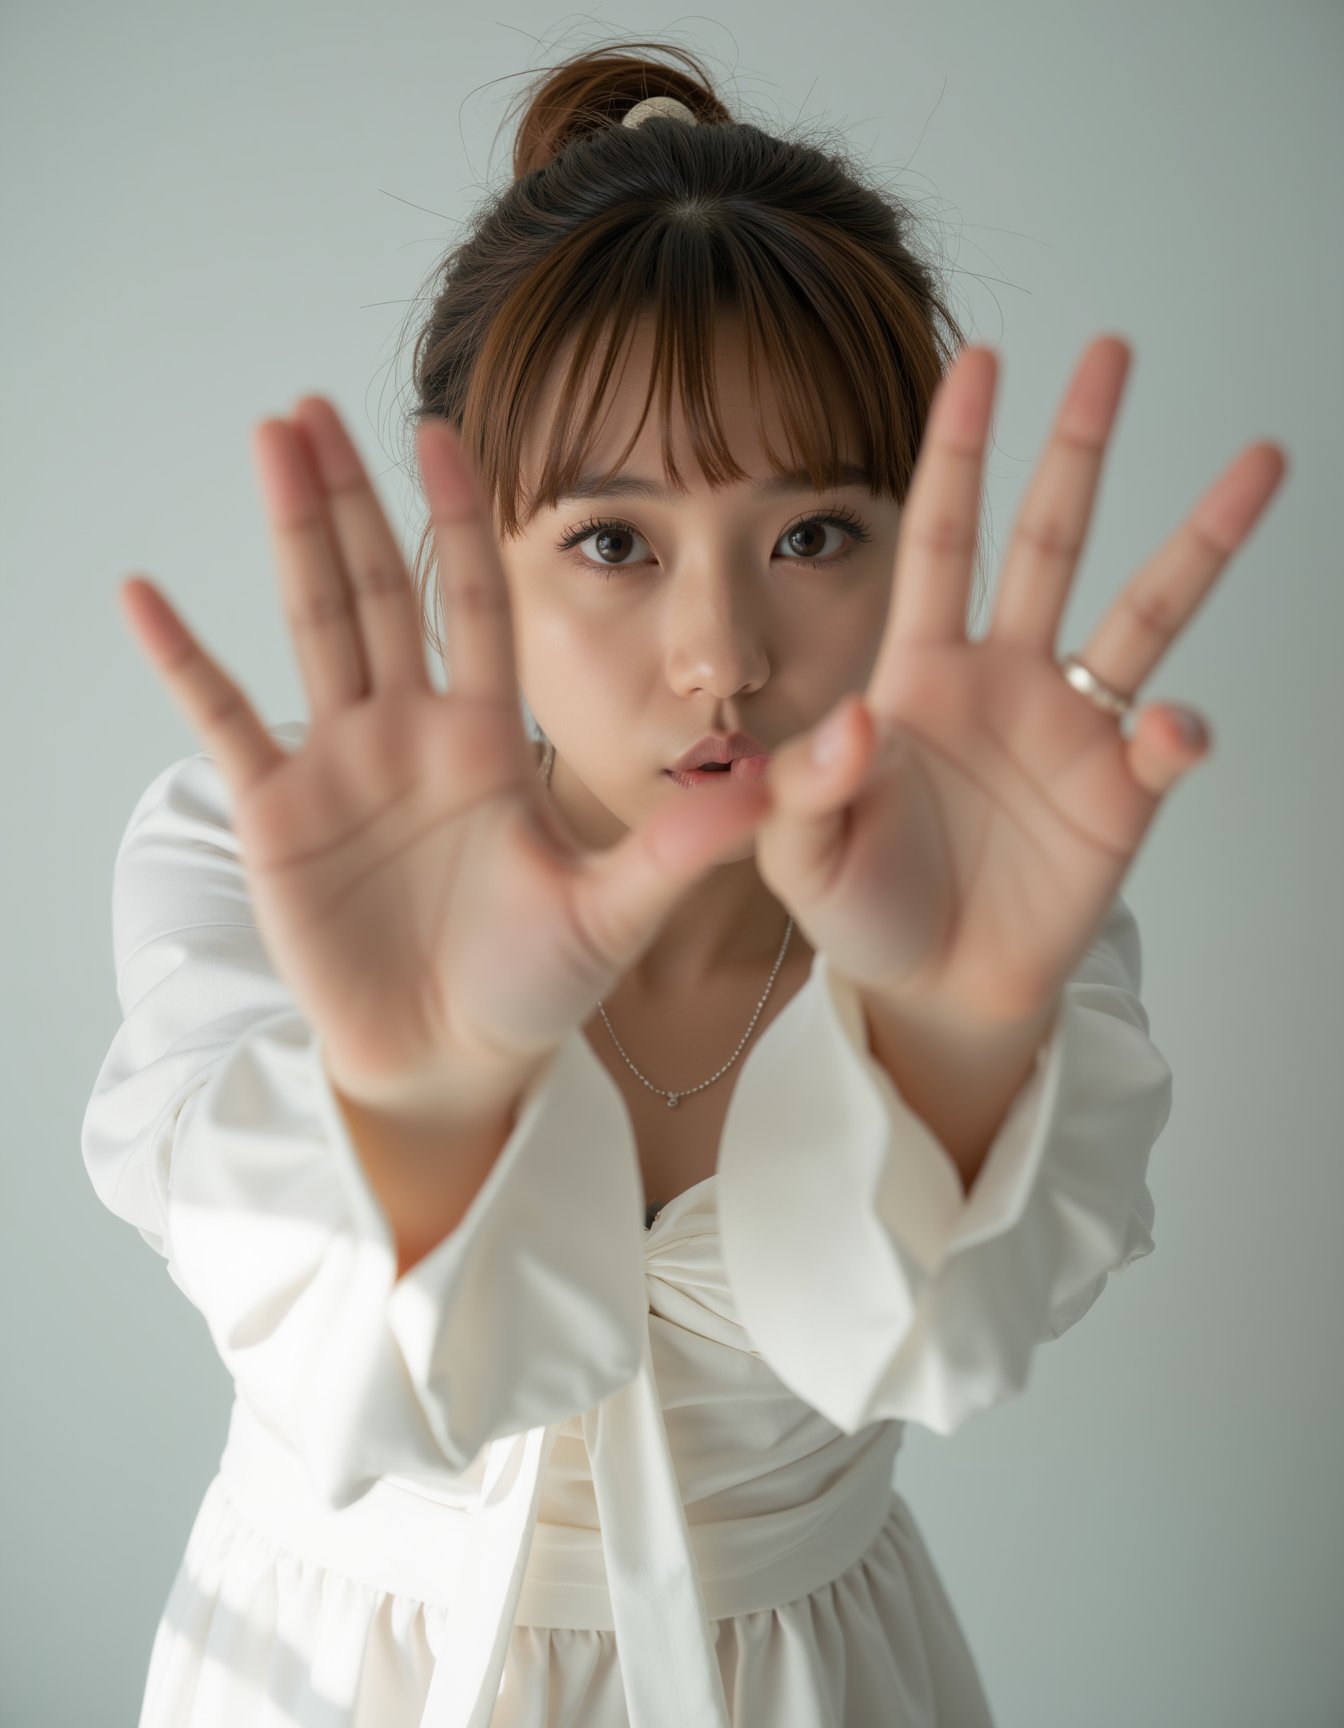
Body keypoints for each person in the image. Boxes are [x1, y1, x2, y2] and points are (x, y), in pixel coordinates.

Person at [82, 39, 1285, 1728]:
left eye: (811, 537)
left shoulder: (988, 910)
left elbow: (946, 1340)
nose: (722, 658)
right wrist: (423, 1096)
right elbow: (290, 1323)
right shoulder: (268, 852)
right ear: (467, 565)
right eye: (613, 542)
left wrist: (940, 1043)